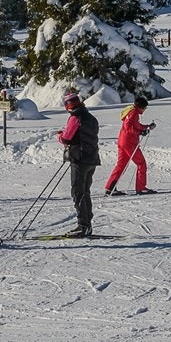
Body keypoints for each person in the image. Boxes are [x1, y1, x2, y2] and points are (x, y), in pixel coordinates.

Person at [56, 90, 100, 237]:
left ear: (68, 106)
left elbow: (67, 138)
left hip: (80, 159)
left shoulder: (75, 118)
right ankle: (87, 224)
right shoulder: (91, 117)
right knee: (85, 191)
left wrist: (60, 136)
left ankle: (83, 225)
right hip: (92, 158)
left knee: (77, 191)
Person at [104, 95, 157, 195]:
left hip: (123, 141)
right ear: (141, 107)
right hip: (129, 143)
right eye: (145, 108)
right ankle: (141, 187)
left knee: (121, 165)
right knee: (141, 163)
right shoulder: (133, 113)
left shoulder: (131, 111)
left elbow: (135, 126)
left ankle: (110, 187)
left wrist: (146, 127)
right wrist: (140, 132)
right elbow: (129, 128)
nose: (145, 110)